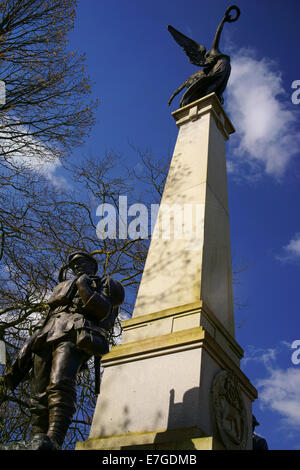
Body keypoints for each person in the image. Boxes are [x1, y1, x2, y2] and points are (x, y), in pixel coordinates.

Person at [0, 251, 125, 450]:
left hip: (74, 332)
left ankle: (54, 438)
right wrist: (31, 342)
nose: (77, 268)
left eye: (81, 263)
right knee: (38, 391)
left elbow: (102, 311)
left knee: (60, 383)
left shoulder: (106, 284)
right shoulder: (62, 287)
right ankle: (38, 439)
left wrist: (83, 287)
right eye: (74, 266)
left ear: (92, 265)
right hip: (46, 335)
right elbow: (47, 317)